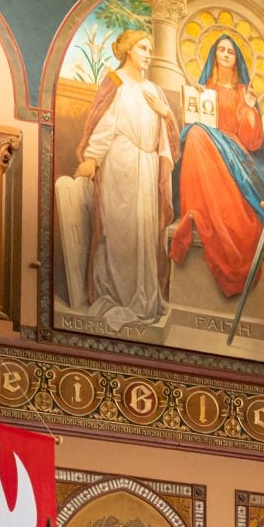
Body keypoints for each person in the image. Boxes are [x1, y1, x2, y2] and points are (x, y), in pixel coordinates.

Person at [65, 31, 173, 331]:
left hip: (148, 165)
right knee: (119, 231)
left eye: (151, 48)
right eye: (142, 47)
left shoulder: (154, 90)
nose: (148, 54)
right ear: (127, 50)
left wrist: (166, 114)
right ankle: (115, 293)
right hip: (120, 161)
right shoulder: (116, 83)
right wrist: (93, 158)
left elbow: (167, 137)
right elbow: (103, 124)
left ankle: (143, 297)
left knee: (144, 232)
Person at [165, 35, 264, 299]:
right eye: (221, 50)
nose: (225, 54)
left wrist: (249, 108)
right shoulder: (205, 88)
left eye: (230, 52)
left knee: (201, 135)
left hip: (234, 155)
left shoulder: (242, 92)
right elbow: (190, 126)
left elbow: (252, 140)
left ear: (236, 60)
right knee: (198, 134)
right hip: (206, 148)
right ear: (213, 56)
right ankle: (196, 209)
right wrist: (197, 102)